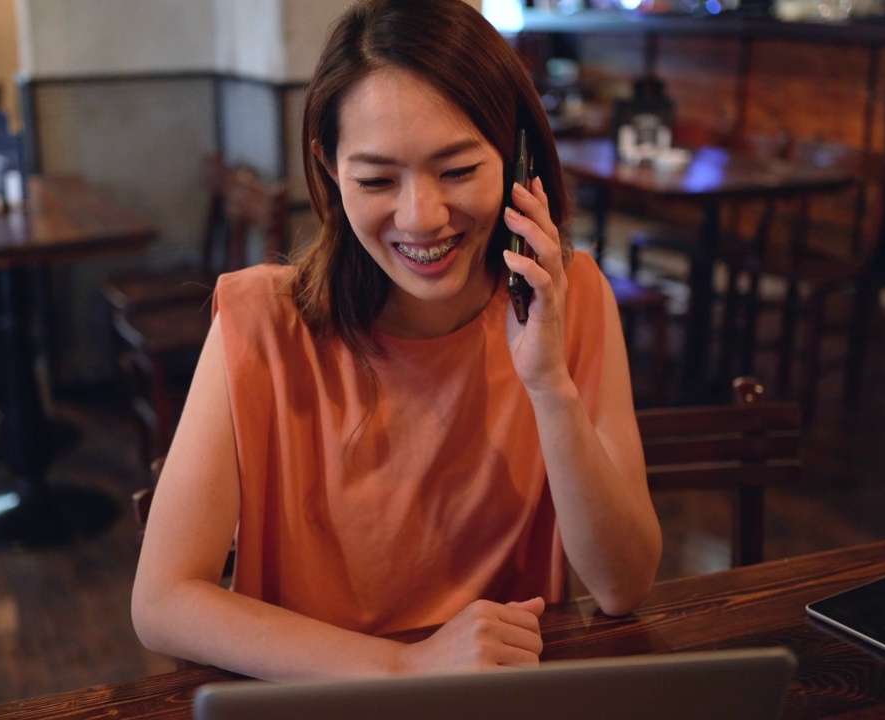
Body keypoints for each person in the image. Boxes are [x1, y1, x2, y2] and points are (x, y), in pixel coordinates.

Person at [131, 0, 661, 681]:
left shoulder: (571, 298)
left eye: (459, 170)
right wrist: (406, 668)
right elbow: (163, 601)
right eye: (378, 179)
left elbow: (624, 585)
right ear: (328, 167)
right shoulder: (262, 321)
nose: (422, 217)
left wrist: (549, 388)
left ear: (514, 155)